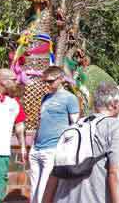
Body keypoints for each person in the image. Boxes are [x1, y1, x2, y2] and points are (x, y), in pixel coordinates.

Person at [43, 82, 119, 203]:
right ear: (114, 104)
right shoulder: (116, 126)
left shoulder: (73, 127)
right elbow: (117, 172)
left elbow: (54, 174)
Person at [29, 66, 80, 203]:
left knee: (44, 192)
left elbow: (74, 126)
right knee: (33, 192)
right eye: (46, 81)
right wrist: (34, 144)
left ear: (61, 79)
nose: (47, 84)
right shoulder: (46, 97)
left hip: (53, 149)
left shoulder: (70, 98)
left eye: (51, 81)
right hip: (37, 148)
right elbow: (41, 120)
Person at [0, 69, 27, 203]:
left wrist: (23, 147)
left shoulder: (14, 103)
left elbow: (19, 126)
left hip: (1, 153)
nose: (16, 82)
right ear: (3, 81)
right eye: (13, 79)